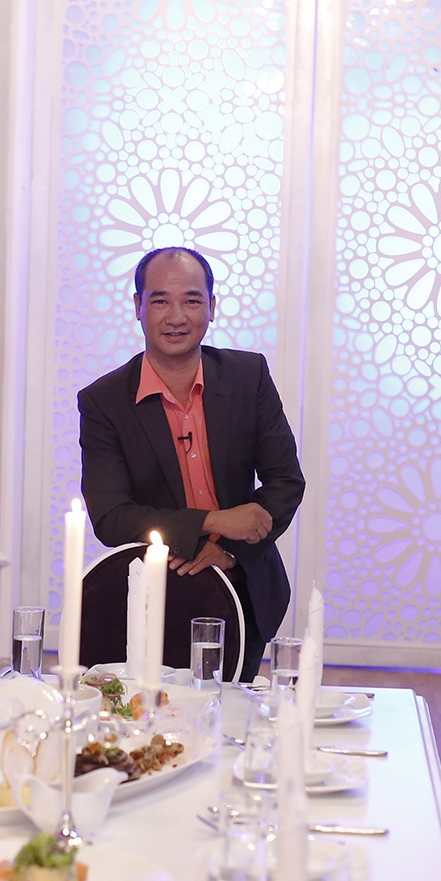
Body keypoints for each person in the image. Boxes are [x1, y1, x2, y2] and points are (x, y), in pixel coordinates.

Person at [77, 246, 305, 685]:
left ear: (212, 307)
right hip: (159, 593)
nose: (176, 316)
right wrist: (213, 522)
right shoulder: (104, 401)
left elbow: (285, 481)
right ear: (138, 307)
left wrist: (230, 551)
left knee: (232, 712)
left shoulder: (248, 376)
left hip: (246, 583)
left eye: (192, 300)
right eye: (161, 301)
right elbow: (111, 517)